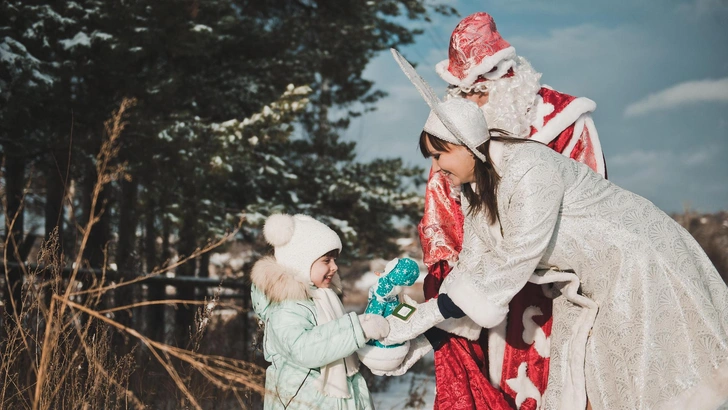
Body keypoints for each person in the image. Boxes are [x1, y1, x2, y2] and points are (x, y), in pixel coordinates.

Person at [380, 49, 728, 410]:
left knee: (645, 381)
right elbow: (474, 266)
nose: (436, 167)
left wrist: (426, 317)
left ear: (466, 146)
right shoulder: (476, 192)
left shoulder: (529, 168)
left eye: (439, 155)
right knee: (588, 383)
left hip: (638, 265)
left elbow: (516, 257)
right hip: (590, 284)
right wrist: (417, 327)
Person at [418, 12, 608, 408]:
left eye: (478, 94)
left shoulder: (566, 121)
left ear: (506, 80)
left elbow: (592, 211)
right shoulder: (460, 143)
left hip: (562, 285)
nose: (471, 105)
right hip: (493, 301)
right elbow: (444, 219)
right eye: (461, 95)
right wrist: (445, 287)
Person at [250, 213, 389, 409]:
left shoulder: (324, 299)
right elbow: (303, 349)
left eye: (335, 259)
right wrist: (358, 328)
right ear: (301, 262)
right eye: (326, 260)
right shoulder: (286, 307)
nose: (334, 267)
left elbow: (339, 347)